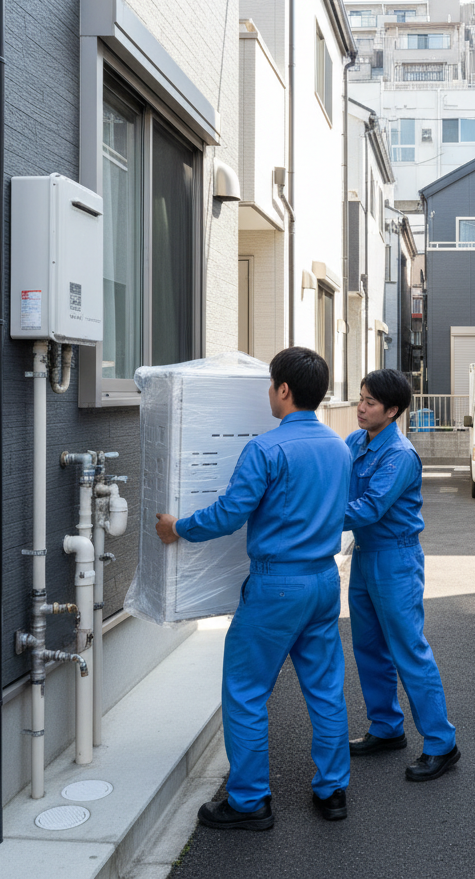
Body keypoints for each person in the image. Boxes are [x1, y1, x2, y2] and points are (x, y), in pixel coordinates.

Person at [155, 347, 351, 830]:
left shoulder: (266, 449)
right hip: (324, 580)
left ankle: (249, 802)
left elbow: (229, 512)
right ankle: (332, 791)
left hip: (276, 586)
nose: (268, 392)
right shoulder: (340, 447)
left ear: (284, 390)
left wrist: (178, 527)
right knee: (325, 689)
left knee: (244, 691)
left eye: (270, 384)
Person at [344, 369, 459, 781]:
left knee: (408, 650)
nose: (360, 407)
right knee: (369, 647)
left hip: (396, 559)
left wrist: (312, 519)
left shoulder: (400, 454)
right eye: (360, 398)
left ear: (392, 411)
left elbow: (369, 507)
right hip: (365, 554)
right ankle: (386, 727)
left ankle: (442, 743)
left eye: (370, 402)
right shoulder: (356, 441)